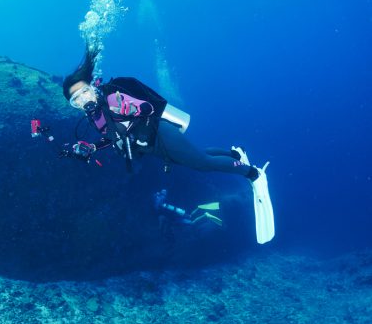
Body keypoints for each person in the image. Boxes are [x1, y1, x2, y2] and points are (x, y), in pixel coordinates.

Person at [61, 46, 275, 244]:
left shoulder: (113, 98)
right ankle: (235, 154)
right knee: (196, 156)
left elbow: (146, 108)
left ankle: (253, 174)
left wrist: (130, 108)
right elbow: (113, 136)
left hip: (160, 133)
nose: (83, 100)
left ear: (92, 86)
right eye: (76, 100)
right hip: (150, 146)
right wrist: (93, 148)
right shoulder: (94, 116)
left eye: (84, 92)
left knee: (202, 163)